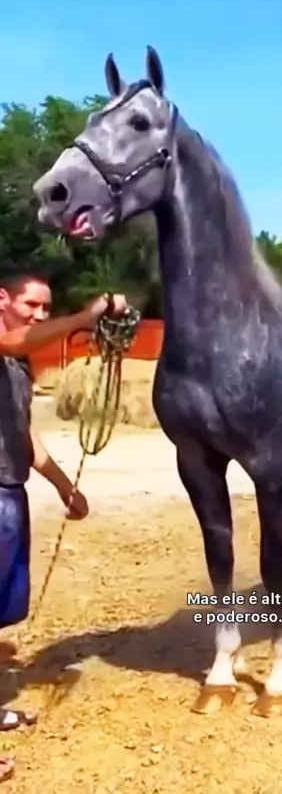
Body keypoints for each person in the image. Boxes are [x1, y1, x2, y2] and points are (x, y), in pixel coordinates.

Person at [0, 271, 128, 785]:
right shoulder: (10, 344)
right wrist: (87, 315)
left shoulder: (18, 365)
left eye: (46, 307)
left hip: (9, 492)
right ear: (2, 298)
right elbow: (16, 337)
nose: (39, 314)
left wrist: (63, 487)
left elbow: (25, 437)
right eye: (31, 304)